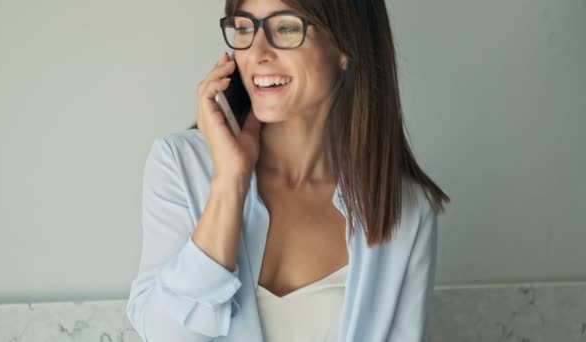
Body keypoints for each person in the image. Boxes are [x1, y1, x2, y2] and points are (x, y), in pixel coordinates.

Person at [126, 0, 450, 340]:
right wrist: (230, 182)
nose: (257, 52)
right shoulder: (179, 164)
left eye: (286, 28)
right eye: (245, 28)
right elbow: (164, 334)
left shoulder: (405, 208)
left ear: (344, 46)